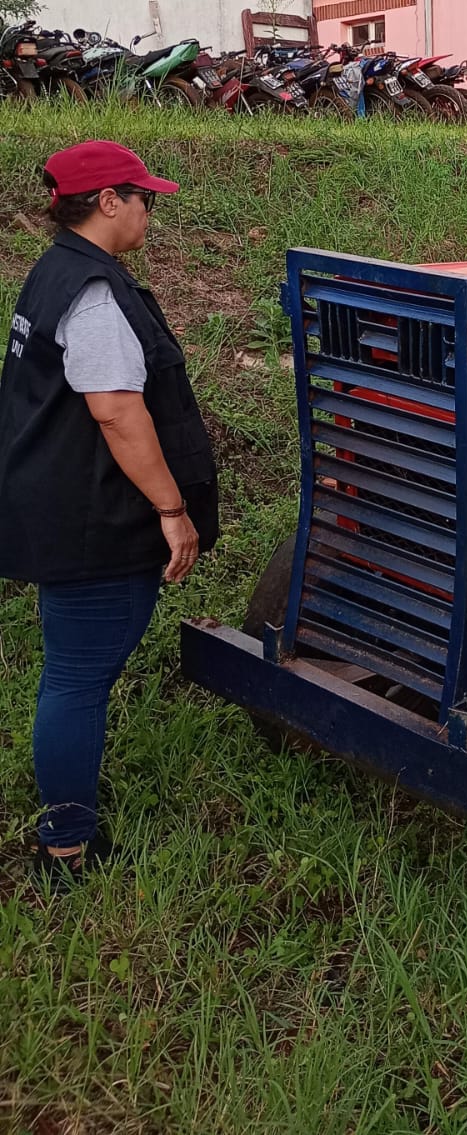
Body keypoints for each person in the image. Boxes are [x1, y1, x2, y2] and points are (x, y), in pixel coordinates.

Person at [0, 141, 219, 889]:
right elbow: (118, 413)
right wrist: (172, 509)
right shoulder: (91, 293)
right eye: (143, 196)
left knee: (71, 670)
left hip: (58, 503)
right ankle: (66, 845)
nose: (151, 209)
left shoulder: (57, 268)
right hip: (93, 520)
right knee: (76, 678)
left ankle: (65, 823)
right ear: (107, 202)